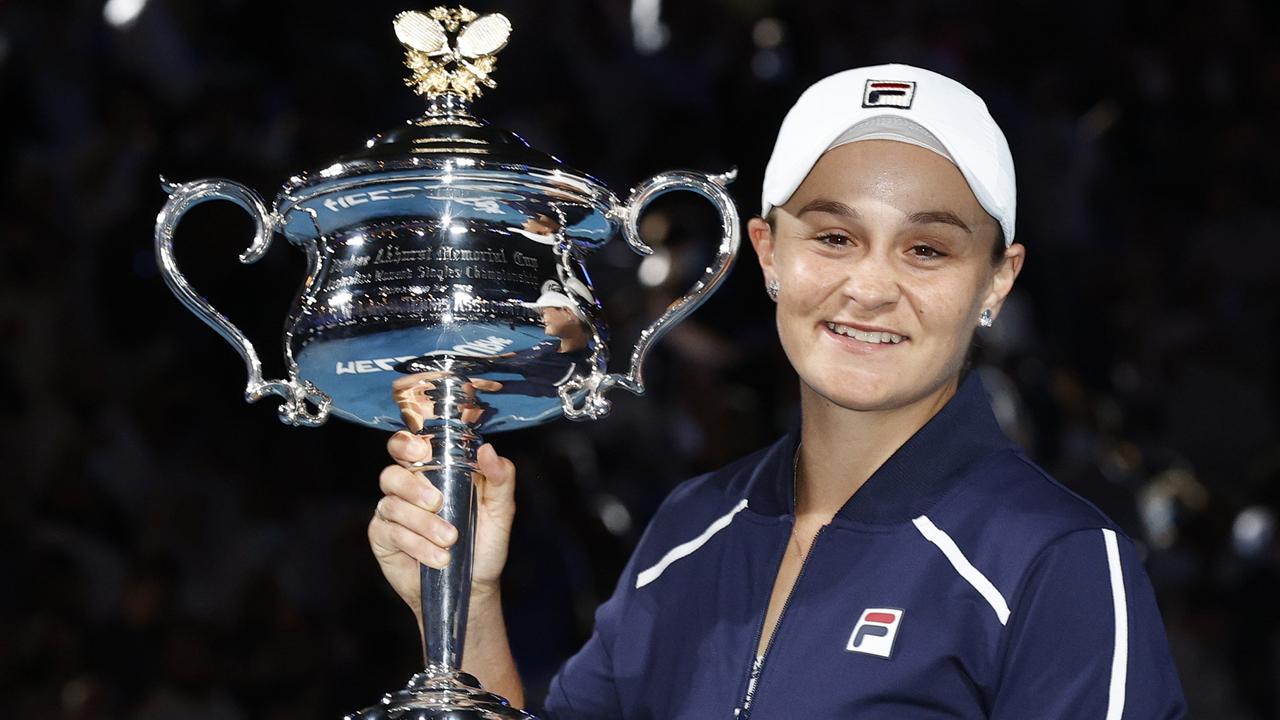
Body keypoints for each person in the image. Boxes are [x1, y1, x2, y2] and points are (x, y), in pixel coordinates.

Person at [367, 63, 1187, 718]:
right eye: (833, 237)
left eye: (927, 250)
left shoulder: (1058, 563)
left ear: (997, 283)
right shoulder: (688, 532)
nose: (869, 286)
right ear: (767, 253)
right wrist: (465, 599)